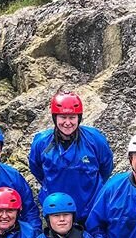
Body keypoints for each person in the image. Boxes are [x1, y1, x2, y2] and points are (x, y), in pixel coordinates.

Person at [29, 91, 114, 225]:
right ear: (55, 117)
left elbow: (106, 167)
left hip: (90, 210)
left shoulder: (95, 139)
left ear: (78, 118)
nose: (67, 123)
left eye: (72, 117)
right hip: (56, 212)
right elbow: (36, 168)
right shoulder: (42, 142)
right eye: (63, 117)